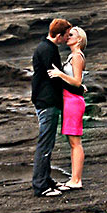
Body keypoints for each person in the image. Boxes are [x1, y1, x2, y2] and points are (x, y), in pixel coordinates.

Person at [30, 18, 72, 196]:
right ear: (60, 35)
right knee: (45, 144)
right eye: (67, 35)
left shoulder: (47, 47)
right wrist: (75, 87)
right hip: (46, 101)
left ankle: (46, 181)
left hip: (46, 100)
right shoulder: (47, 49)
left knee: (48, 143)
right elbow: (54, 75)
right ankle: (41, 186)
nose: (68, 38)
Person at [49, 26, 88, 189]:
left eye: (71, 35)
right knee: (73, 142)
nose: (67, 37)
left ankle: (76, 180)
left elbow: (77, 81)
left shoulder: (77, 56)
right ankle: (74, 179)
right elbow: (79, 82)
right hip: (70, 100)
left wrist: (59, 74)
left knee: (75, 143)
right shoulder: (73, 56)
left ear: (79, 39)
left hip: (73, 102)